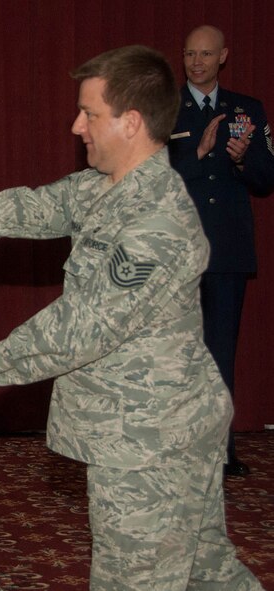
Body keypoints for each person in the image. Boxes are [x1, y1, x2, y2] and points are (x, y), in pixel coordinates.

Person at [0, 45, 262, 590]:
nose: (76, 126)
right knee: (209, 573)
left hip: (152, 443)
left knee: (135, 580)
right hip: (160, 431)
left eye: (89, 113)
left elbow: (78, 328)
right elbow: (6, 209)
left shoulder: (159, 222)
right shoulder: (101, 190)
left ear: (131, 121)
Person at [167, 25, 274, 477]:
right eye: (190, 53)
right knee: (175, 353)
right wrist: (199, 152)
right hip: (179, 253)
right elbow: (149, 179)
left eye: (206, 54)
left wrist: (239, 157)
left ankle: (219, 450)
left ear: (223, 56)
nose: (196, 62)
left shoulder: (247, 110)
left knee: (219, 353)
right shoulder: (164, 108)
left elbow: (266, 180)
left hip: (227, 253)